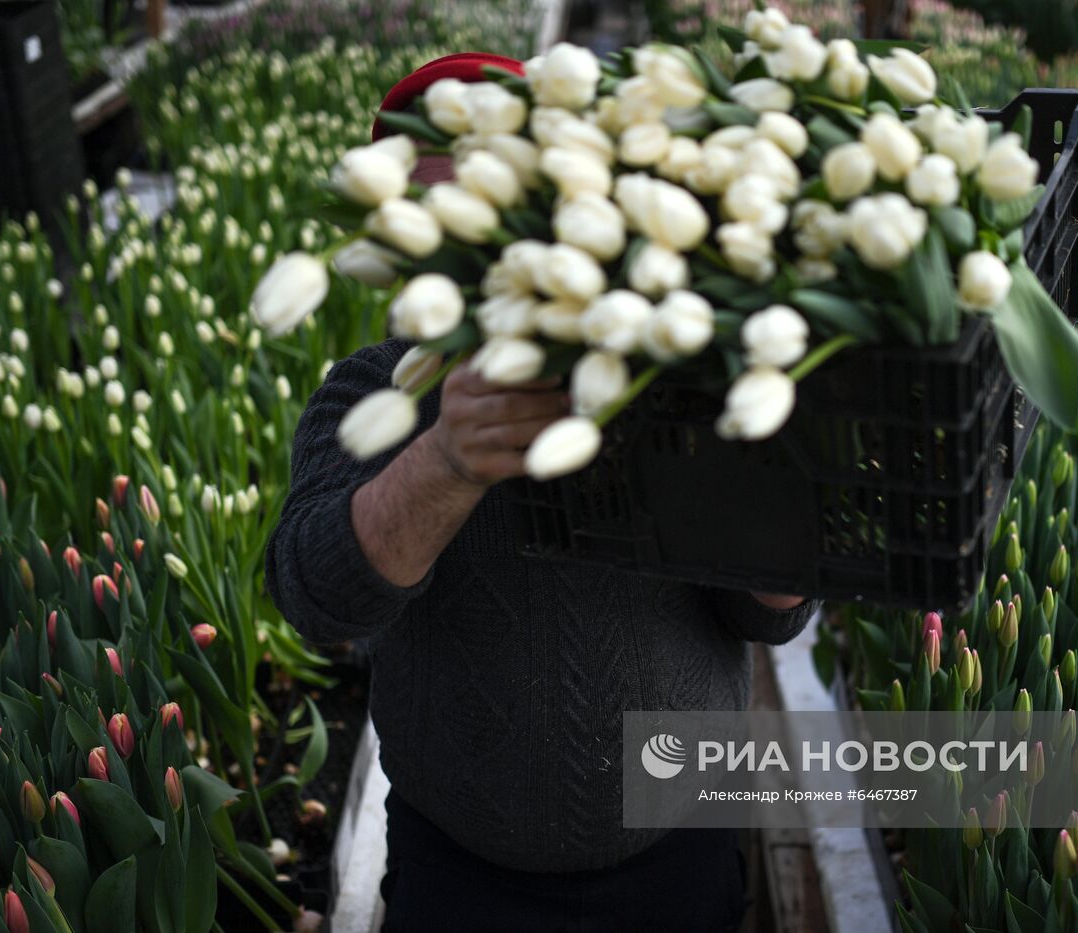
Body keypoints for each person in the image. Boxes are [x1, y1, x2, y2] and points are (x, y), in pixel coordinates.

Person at [265, 53, 819, 933]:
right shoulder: (373, 390)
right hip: (463, 879)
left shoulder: (661, 372)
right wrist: (446, 458)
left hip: (679, 858)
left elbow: (766, 614)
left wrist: (790, 540)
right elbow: (314, 595)